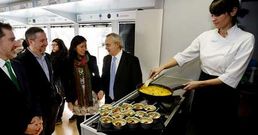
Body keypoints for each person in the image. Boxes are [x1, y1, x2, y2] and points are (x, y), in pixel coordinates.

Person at [149, 0, 255, 134]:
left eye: (217, 14)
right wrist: (162, 67)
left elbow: (231, 76)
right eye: (211, 15)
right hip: (203, 87)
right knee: (198, 125)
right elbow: (184, 56)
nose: (213, 18)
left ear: (233, 11)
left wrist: (199, 84)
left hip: (225, 91)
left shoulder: (245, 39)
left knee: (221, 126)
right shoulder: (206, 36)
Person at [0, 21, 43, 135]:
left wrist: (36, 115)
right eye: (11, 40)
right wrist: (23, 128)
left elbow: (30, 94)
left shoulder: (18, 65)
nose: (17, 44)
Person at [16, 27, 61, 135]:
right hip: (36, 114)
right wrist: (35, 114)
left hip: (52, 109)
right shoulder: (20, 61)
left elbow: (50, 81)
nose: (46, 43)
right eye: (42, 41)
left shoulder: (48, 57)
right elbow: (25, 92)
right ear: (31, 41)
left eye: (46, 39)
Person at [65, 35, 100, 135]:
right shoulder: (68, 62)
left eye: (85, 46)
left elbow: (97, 77)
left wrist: (100, 90)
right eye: (81, 46)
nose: (84, 49)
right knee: (80, 121)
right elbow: (66, 83)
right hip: (77, 96)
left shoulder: (92, 59)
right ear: (74, 47)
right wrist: (69, 100)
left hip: (91, 94)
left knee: (92, 120)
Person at [99, 33, 142, 103]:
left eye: (108, 45)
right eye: (105, 45)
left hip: (125, 103)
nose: (106, 48)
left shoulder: (132, 60)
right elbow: (104, 78)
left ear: (117, 44)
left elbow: (137, 84)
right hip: (108, 101)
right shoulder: (106, 59)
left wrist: (133, 103)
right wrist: (101, 90)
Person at [50, 38, 68, 125]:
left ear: (60, 45)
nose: (53, 46)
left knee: (61, 99)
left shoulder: (64, 55)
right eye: (52, 45)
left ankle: (58, 118)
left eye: (55, 45)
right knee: (57, 99)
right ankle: (56, 117)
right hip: (54, 80)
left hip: (61, 81)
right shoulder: (52, 55)